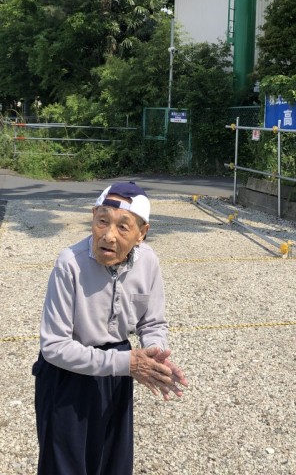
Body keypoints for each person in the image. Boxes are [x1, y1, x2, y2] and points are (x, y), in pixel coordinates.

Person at [32, 181, 187, 475]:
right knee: (64, 466)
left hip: (118, 376)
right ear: (93, 217)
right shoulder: (69, 264)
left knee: (112, 463)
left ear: (142, 233)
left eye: (123, 227)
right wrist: (127, 363)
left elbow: (152, 322)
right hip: (67, 376)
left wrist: (155, 356)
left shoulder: (149, 262)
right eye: (102, 221)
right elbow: (54, 346)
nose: (108, 235)